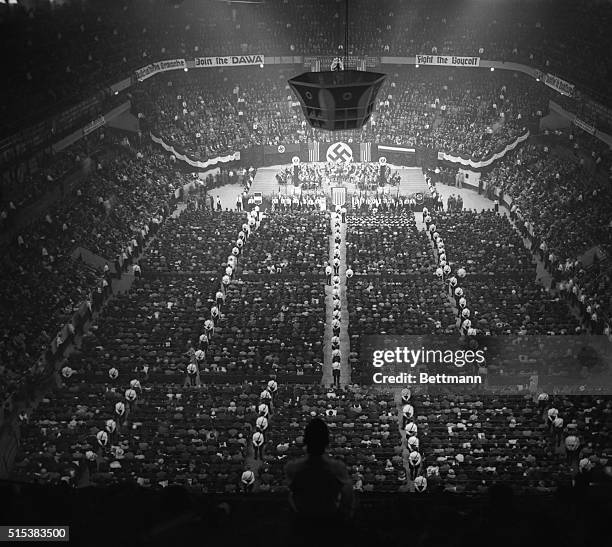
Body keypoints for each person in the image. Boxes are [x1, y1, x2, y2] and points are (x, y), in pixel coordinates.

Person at [285, 419, 354, 541]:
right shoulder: (338, 468)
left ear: (305, 441)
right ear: (327, 442)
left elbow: (290, 498)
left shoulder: (292, 468)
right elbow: (347, 499)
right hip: (330, 526)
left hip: (302, 527)